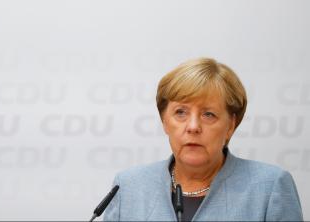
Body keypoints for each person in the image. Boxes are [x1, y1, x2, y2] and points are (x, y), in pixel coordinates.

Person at [103, 58, 303, 221]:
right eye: (180, 112)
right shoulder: (129, 186)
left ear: (230, 125)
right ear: (164, 121)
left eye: (208, 114)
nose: (193, 127)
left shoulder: (269, 187)